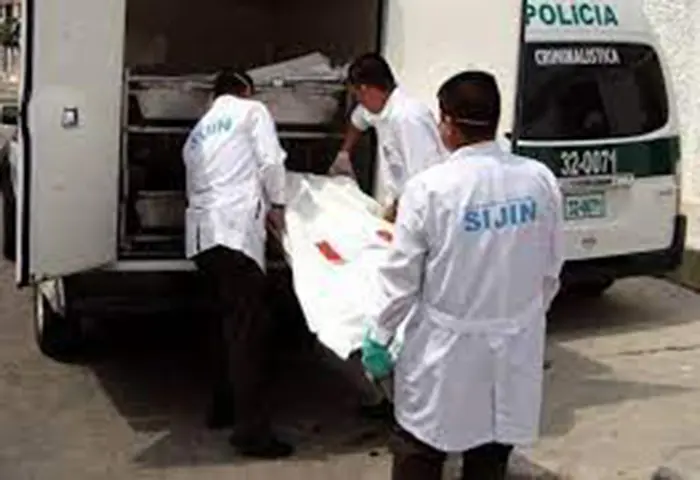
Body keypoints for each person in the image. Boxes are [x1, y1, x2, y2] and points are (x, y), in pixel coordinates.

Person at [361, 70, 564, 479]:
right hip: (513, 346)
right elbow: (551, 266)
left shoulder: (431, 189)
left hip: (445, 352)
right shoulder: (538, 179)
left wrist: (379, 336)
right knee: (489, 453)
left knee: (421, 449)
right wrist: (519, 317)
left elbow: (401, 280)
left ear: (449, 123)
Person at [182, 69, 292, 458]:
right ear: (246, 90)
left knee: (226, 325)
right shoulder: (251, 111)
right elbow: (271, 161)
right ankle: (252, 433)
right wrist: (278, 204)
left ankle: (222, 408)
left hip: (202, 239)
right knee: (249, 332)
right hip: (234, 234)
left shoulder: (197, 132)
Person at [328, 53, 446, 222]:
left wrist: (397, 210)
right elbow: (358, 120)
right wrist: (344, 153)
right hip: (401, 206)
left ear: (366, 89)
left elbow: (424, 179)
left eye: (358, 96)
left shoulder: (407, 118)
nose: (360, 102)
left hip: (420, 213)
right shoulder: (380, 108)